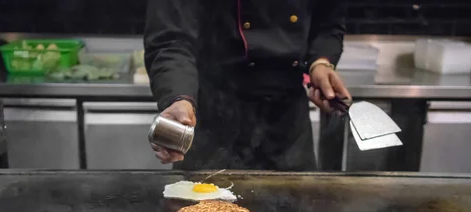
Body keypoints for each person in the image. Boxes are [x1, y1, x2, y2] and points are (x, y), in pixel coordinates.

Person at [144, 0, 351, 170]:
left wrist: (321, 62)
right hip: (214, 118)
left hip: (287, 122)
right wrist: (179, 96)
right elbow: (171, 40)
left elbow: (328, 22)